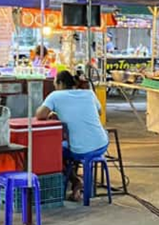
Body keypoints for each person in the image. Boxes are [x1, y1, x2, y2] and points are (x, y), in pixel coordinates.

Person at [36, 70, 108, 202]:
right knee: (69, 146)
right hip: (102, 143)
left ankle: (75, 180)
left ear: (60, 83)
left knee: (55, 151)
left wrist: (56, 112)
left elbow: (40, 115)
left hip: (80, 150)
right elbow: (99, 111)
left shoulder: (55, 96)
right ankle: (77, 183)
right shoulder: (89, 93)